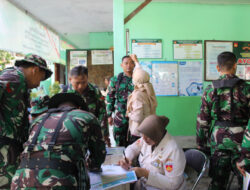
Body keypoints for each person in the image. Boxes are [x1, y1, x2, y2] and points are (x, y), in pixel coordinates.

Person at [11, 92, 106, 189]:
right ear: (79, 107)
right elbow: (98, 155)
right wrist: (91, 165)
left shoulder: (38, 119)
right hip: (59, 180)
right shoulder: (87, 116)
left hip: (20, 179)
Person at [196, 51, 250, 190]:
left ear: (218, 68)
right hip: (242, 141)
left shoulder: (210, 90)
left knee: (218, 182)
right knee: (244, 181)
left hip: (218, 140)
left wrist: (201, 144)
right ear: (235, 66)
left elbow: (203, 121)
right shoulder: (246, 89)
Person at [0, 54, 52, 188]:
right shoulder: (13, 78)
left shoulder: (20, 82)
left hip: (10, 146)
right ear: (35, 70)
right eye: (41, 78)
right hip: (4, 147)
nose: (39, 84)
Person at [119, 115, 186, 190]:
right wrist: (127, 158)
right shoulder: (147, 139)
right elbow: (132, 148)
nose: (143, 138)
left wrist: (146, 173)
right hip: (146, 184)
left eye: (147, 136)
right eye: (143, 134)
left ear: (157, 135)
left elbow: (173, 184)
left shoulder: (173, 151)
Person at [62, 66, 111, 147]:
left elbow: (102, 113)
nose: (80, 86)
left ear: (87, 79)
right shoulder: (64, 93)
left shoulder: (94, 92)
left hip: (91, 133)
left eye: (84, 82)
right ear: (70, 79)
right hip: (70, 133)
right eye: (77, 83)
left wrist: (104, 135)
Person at [127, 55, 157, 141]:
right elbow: (140, 73)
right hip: (148, 129)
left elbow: (137, 117)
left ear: (136, 79)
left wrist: (128, 113)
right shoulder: (148, 89)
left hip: (139, 132)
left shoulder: (138, 94)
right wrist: (136, 61)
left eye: (134, 77)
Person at [106, 55, 135, 146]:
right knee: (119, 139)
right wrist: (109, 115)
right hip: (120, 115)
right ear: (121, 65)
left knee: (135, 139)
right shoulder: (115, 79)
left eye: (131, 63)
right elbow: (110, 97)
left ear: (134, 65)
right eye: (126, 63)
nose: (128, 65)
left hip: (135, 114)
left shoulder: (138, 78)